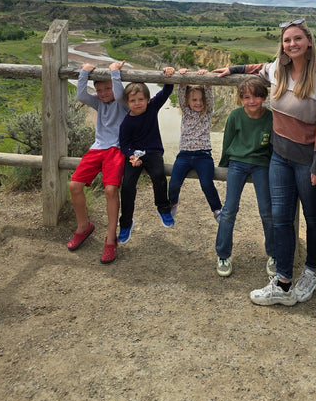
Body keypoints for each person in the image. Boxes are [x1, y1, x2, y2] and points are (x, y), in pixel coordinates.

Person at [214, 18, 316, 306]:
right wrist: (232, 70)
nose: (292, 44)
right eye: (287, 40)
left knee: (313, 218)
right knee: (281, 217)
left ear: (309, 41)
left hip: (307, 159)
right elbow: (256, 69)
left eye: (297, 39)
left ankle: (311, 272)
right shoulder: (278, 68)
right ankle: (283, 281)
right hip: (279, 157)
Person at [66, 60, 128, 264]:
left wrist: (115, 73)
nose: (103, 93)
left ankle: (111, 239)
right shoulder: (98, 102)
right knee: (74, 185)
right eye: (99, 90)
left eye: (107, 88)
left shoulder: (122, 101)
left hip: (116, 149)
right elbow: (82, 95)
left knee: (111, 190)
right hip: (98, 148)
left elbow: (118, 94)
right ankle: (83, 226)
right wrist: (84, 72)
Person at [215, 76, 275, 278]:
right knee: (230, 208)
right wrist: (224, 165)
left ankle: (274, 254)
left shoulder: (271, 118)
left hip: (261, 164)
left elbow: (274, 146)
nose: (252, 101)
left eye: (257, 97)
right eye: (247, 97)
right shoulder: (235, 116)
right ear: (240, 98)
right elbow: (228, 140)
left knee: (267, 210)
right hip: (237, 163)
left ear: (264, 97)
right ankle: (223, 254)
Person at [118, 68, 176, 242]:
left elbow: (167, 91)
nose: (137, 103)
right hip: (135, 155)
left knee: (158, 175)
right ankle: (126, 223)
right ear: (127, 102)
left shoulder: (152, 108)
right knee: (127, 186)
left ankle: (163, 209)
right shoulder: (126, 122)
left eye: (141, 99)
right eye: (133, 100)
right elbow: (124, 143)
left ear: (148, 99)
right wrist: (132, 156)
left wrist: (168, 74)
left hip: (153, 152)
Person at [168, 68, 222, 222]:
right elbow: (181, 91)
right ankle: (173, 203)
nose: (198, 103)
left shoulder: (207, 112)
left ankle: (217, 209)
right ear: (187, 101)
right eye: (194, 100)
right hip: (184, 155)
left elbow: (209, 92)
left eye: (201, 100)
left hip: (203, 156)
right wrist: (184, 75)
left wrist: (205, 77)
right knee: (174, 183)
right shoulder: (185, 111)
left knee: (206, 184)